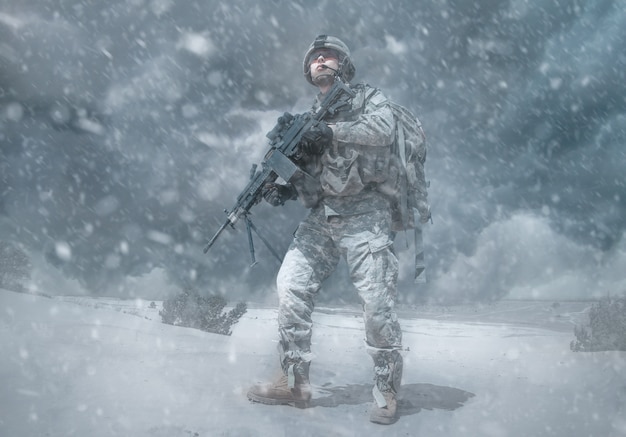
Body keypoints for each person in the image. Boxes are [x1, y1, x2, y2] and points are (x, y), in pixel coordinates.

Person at [247, 35, 404, 425]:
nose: (319, 58)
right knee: (291, 286)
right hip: (323, 215)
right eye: (314, 57)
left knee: (377, 306)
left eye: (328, 54)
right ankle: (294, 380)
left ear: (343, 63)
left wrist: (332, 132)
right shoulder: (305, 119)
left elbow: (384, 130)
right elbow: (313, 180)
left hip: (367, 212)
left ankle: (386, 390)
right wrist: (282, 185)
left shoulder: (367, 99)